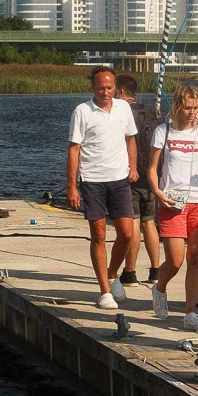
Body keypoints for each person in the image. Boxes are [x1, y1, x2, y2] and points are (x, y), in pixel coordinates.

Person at [66, 67, 140, 310]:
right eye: (100, 88)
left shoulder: (123, 108)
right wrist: (72, 186)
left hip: (119, 179)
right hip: (92, 180)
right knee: (98, 233)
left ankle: (111, 273)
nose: (105, 92)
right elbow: (74, 149)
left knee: (127, 233)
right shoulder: (83, 111)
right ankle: (105, 290)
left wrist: (133, 166)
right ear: (93, 87)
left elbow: (131, 138)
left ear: (115, 87)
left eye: (109, 88)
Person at [148, 84, 198, 331]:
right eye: (187, 107)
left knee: (196, 258)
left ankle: (190, 313)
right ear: (177, 106)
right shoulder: (163, 131)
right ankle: (160, 288)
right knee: (176, 260)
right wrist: (157, 192)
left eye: (196, 108)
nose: (192, 112)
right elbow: (153, 168)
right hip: (172, 201)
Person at [115, 72, 164, 286]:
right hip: (152, 173)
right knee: (149, 221)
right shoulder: (151, 111)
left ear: (120, 91)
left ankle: (130, 271)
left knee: (133, 221)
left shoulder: (122, 112)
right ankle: (155, 270)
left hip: (131, 173)